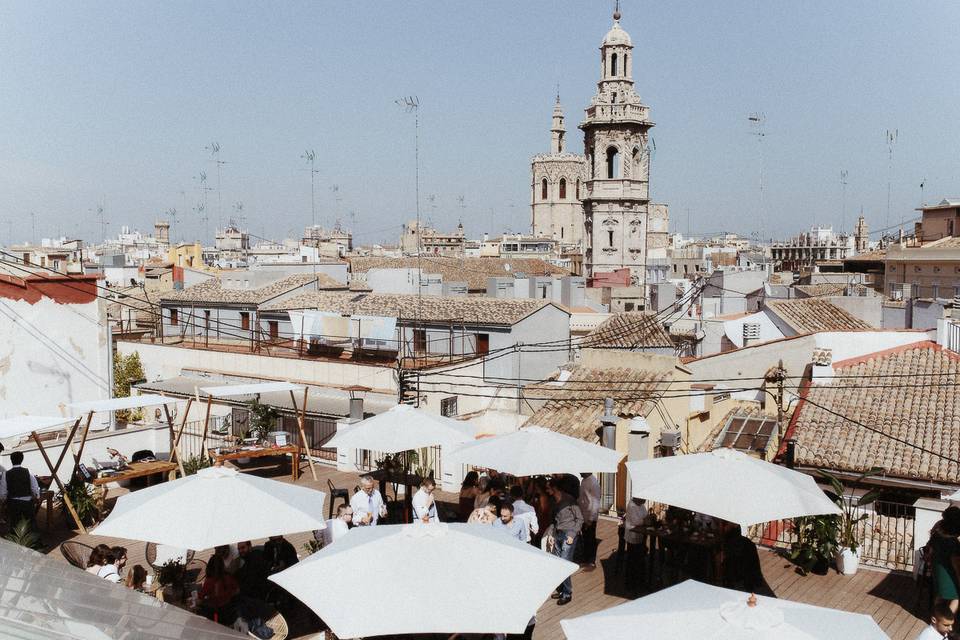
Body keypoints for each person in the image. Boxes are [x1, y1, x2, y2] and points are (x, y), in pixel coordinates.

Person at [546, 478, 583, 605]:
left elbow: (580, 519)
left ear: (554, 488)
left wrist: (572, 535)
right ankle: (562, 589)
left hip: (569, 534)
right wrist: (551, 534)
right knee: (558, 563)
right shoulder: (552, 501)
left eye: (548, 488)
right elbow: (552, 520)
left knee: (564, 564)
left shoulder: (569, 500)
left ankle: (567, 593)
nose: (546, 490)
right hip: (558, 533)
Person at [720, 521, 772, 596]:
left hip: (732, 542)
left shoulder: (733, 529)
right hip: (728, 542)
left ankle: (748, 579)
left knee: (747, 547)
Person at [929, 506, 960, 615]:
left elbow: (931, 552)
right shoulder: (953, 543)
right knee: (957, 599)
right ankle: (947, 620)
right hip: (948, 577)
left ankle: (935, 617)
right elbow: (956, 566)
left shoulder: (936, 536)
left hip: (937, 575)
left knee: (940, 596)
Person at [0, 451, 39, 530]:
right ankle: (32, 541)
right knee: (30, 525)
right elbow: (34, 487)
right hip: (27, 503)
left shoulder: (6, 474)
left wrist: (4, 500)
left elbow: (3, 492)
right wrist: (36, 496)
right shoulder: (28, 471)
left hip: (13, 503)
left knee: (15, 525)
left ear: (11, 460)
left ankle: (17, 541)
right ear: (22, 459)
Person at [198, 554, 240, 625]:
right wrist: (228, 594)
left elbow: (201, 597)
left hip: (215, 614)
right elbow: (237, 590)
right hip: (229, 612)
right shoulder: (228, 577)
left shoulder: (209, 581)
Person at [623, 497, 649, 594]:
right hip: (632, 536)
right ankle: (630, 583)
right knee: (632, 560)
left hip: (640, 535)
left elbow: (646, 516)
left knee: (640, 559)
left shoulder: (641, 505)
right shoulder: (632, 506)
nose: (645, 501)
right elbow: (636, 521)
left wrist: (645, 519)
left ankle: (640, 581)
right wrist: (644, 521)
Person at [577, 472, 601, 568]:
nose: (580, 473)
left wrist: (591, 519)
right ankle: (585, 558)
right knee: (585, 538)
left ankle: (591, 560)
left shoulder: (593, 483)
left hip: (590, 516)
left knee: (590, 538)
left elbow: (596, 502)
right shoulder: (583, 481)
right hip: (583, 514)